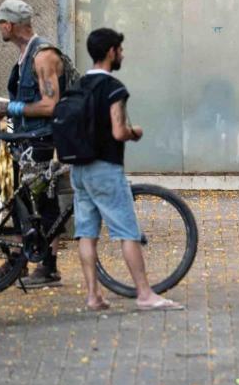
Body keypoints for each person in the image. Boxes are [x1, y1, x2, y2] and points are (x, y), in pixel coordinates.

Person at [71, 28, 184, 311]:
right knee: (127, 232)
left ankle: (93, 296)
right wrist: (136, 132)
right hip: (105, 169)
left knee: (86, 233)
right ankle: (145, 294)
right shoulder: (113, 88)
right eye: (120, 49)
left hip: (79, 170)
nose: (122, 54)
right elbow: (118, 131)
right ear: (111, 52)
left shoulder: (78, 85)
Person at [0, 0, 65, 288]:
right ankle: (18, 261)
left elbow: (50, 105)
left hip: (42, 141)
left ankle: (48, 268)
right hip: (26, 140)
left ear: (10, 24)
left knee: (45, 202)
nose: (0, 28)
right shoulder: (24, 56)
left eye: (1, 23)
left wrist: (11, 108)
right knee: (20, 201)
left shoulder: (42, 57)